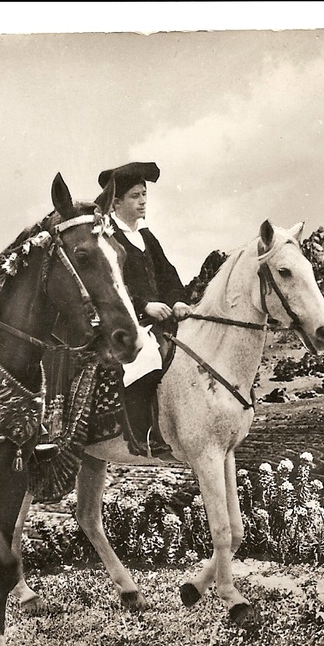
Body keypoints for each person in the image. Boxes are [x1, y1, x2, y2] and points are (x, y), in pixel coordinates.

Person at [98, 161, 191, 456]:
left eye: (144, 195)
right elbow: (111, 286)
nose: (143, 202)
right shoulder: (109, 239)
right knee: (147, 356)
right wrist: (145, 306)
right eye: (136, 196)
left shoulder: (147, 237)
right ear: (116, 203)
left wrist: (176, 299)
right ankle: (143, 434)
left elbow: (169, 276)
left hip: (159, 322)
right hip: (125, 323)